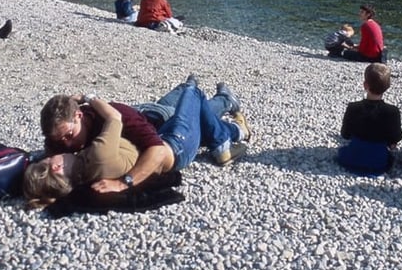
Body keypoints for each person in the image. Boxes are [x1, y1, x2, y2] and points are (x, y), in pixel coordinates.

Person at [39, 79, 250, 196]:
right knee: (193, 95)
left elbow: (122, 121)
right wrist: (124, 183)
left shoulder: (116, 117)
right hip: (170, 139)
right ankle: (226, 125)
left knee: (181, 100)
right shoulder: (67, 139)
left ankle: (200, 95)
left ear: (79, 115)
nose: (66, 145)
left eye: (68, 135)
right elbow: (157, 150)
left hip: (152, 121)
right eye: (59, 140)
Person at [338, 63, 402, 175]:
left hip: (352, 158)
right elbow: (396, 136)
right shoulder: (392, 111)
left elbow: (345, 134)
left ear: (365, 85)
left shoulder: (353, 107)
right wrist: (391, 142)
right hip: (379, 162)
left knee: (342, 151)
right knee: (389, 155)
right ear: (387, 87)